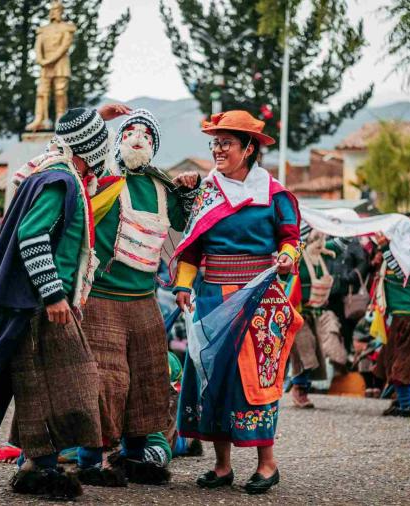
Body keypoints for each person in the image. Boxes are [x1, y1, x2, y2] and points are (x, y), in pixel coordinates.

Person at [0, 105, 127, 500]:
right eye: (100, 145)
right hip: (41, 303)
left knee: (49, 383)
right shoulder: (60, 182)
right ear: (89, 149)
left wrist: (96, 117)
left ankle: (46, 464)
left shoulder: (59, 170)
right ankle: (44, 467)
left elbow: (65, 135)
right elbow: (32, 238)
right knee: (65, 383)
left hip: (40, 300)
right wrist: (54, 294)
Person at [172, 110, 301, 494]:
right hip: (211, 297)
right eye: (215, 142)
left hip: (257, 298)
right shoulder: (206, 193)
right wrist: (183, 285)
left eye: (226, 143)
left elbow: (290, 238)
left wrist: (287, 257)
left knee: (253, 380)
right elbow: (193, 248)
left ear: (249, 149)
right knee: (213, 378)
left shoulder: (274, 195)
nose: (218, 149)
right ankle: (222, 466)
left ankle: (267, 464)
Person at [74, 108, 200, 487]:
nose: (138, 135)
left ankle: (135, 457)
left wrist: (190, 188)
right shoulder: (102, 182)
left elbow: (189, 226)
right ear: (118, 139)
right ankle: (90, 461)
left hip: (145, 299)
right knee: (105, 381)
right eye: (130, 129)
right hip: (102, 298)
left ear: (154, 145)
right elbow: (75, 210)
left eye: (146, 132)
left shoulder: (164, 188)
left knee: (149, 380)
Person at [284, 230, 348, 409]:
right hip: (297, 313)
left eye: (323, 239)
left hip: (316, 313)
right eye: (317, 239)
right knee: (304, 350)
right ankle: (298, 389)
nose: (321, 243)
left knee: (316, 352)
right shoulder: (297, 254)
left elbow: (340, 244)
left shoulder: (321, 253)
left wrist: (351, 228)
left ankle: (302, 388)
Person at [372, 230, 410, 418]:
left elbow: (400, 271)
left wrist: (383, 247)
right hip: (404, 317)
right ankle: (403, 399)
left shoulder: (407, 261)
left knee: (402, 362)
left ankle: (408, 405)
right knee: (393, 358)